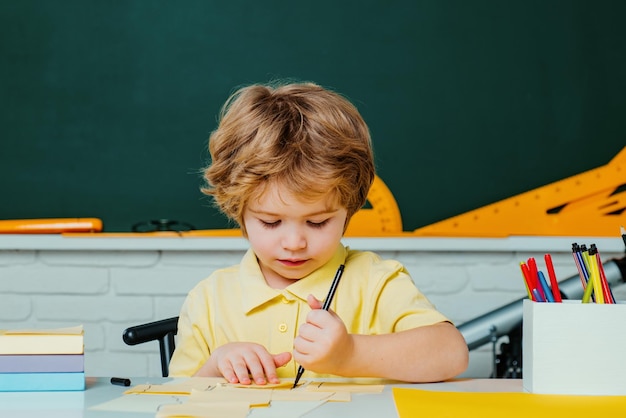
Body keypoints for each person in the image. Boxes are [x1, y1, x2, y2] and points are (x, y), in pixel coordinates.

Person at [168, 80, 469, 385]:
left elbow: (452, 354)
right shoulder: (208, 299)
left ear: (348, 210)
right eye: (271, 223)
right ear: (238, 210)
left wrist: (350, 353)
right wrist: (217, 366)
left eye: (317, 223)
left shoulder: (375, 282)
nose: (295, 243)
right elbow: (173, 396)